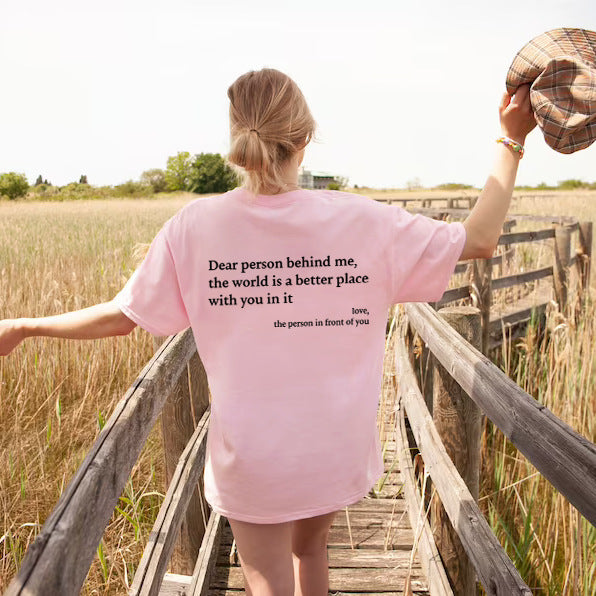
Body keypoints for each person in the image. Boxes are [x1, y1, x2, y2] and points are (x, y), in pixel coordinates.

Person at [0, 68, 536, 595]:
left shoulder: (194, 227)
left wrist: (26, 326)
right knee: (311, 551)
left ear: (237, 136)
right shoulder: (367, 223)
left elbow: (122, 317)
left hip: (254, 459)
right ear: (304, 139)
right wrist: (511, 138)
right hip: (335, 449)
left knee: (270, 580)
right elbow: (481, 238)